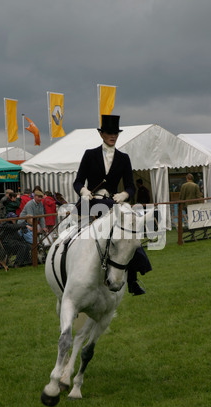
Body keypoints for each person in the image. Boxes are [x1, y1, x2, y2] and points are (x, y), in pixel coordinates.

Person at [73, 114, 152, 296]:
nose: (113, 136)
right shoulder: (90, 154)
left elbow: (131, 186)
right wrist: (84, 192)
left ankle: (132, 280)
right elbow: (77, 182)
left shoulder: (123, 158)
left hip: (113, 202)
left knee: (128, 238)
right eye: (109, 132)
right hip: (92, 201)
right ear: (101, 134)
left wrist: (124, 194)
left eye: (115, 133)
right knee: (73, 230)